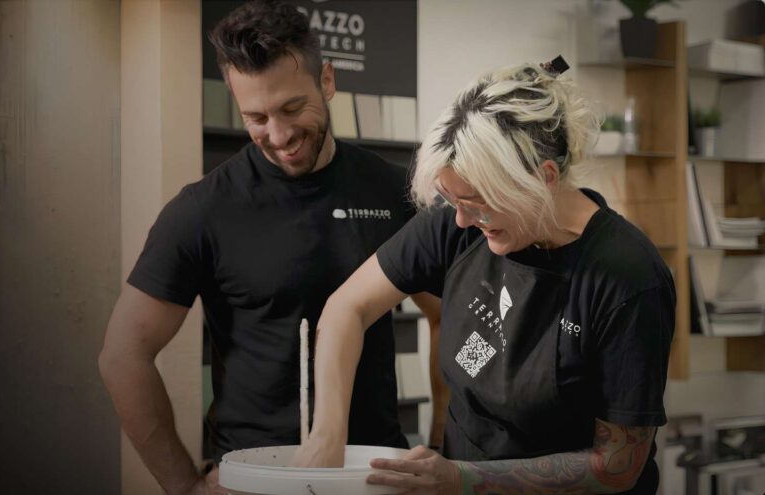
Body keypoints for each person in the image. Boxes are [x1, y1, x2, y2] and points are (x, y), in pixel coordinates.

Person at [99, 1, 441, 494]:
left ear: (327, 81)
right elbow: (123, 356)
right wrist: (185, 486)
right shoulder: (202, 210)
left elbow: (443, 313)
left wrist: (443, 434)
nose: (279, 136)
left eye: (292, 108)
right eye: (256, 117)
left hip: (374, 472)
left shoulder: (393, 190)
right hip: (253, 476)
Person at [292, 57, 675, 495]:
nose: (461, 220)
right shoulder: (459, 222)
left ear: (545, 178)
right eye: (453, 201)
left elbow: (618, 466)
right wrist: (327, 435)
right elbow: (348, 306)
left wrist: (463, 479)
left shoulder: (627, 278)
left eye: (477, 203)